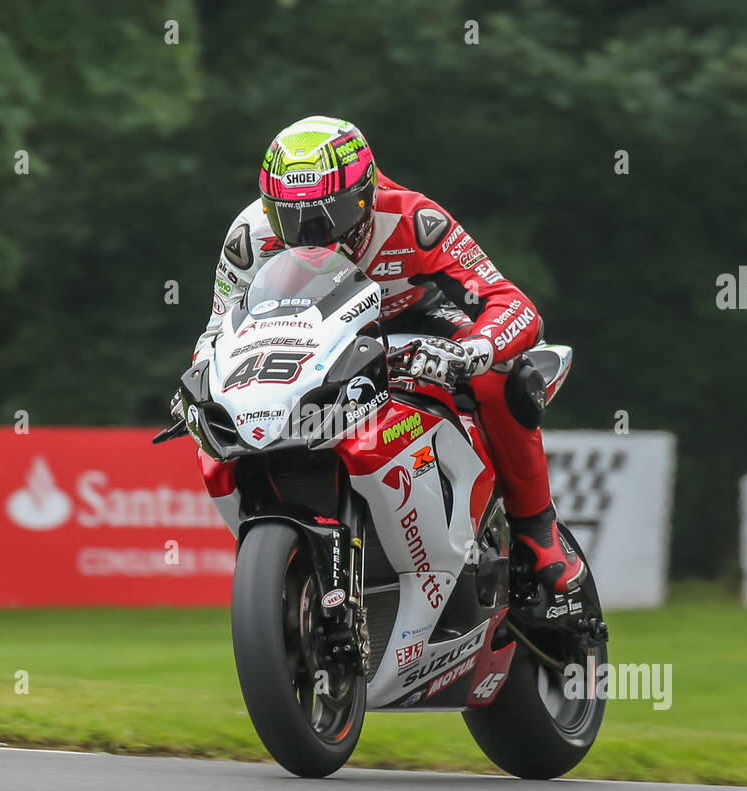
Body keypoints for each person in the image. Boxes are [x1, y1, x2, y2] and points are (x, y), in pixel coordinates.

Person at [191, 116, 584, 592]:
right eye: (289, 217)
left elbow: (512, 303)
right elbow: (217, 328)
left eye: (326, 214)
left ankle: (536, 530)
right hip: (308, 340)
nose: (310, 232)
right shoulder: (248, 237)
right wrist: (203, 378)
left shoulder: (413, 220)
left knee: (503, 375)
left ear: (366, 193)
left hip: (415, 324)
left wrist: (472, 351)